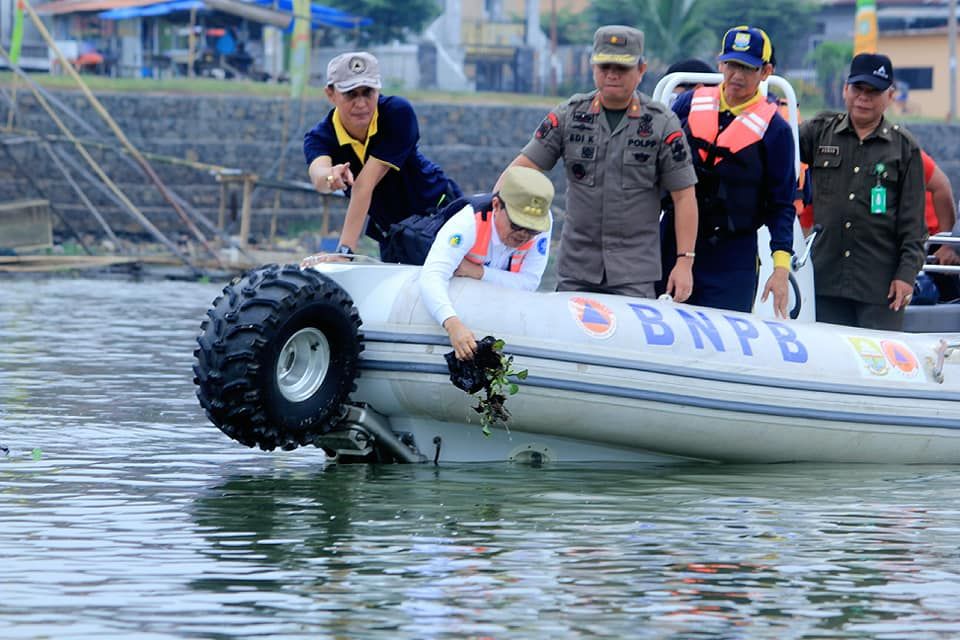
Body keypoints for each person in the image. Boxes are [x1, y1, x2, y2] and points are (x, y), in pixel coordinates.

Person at [499, 25, 698, 301]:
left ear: (641, 70)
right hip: (576, 269)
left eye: (622, 67)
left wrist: (684, 262)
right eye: (605, 66)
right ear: (593, 68)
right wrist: (491, 216)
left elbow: (685, 196)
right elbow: (521, 169)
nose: (612, 74)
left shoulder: (661, 123)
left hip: (634, 274)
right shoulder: (569, 115)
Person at [661, 26, 796, 317]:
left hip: (731, 256)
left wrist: (781, 269)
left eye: (748, 68)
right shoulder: (688, 105)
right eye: (732, 65)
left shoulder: (776, 131)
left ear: (765, 71)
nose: (737, 75)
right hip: (673, 243)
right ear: (720, 63)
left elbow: (782, 205)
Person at [798, 52, 926, 330]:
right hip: (825, 278)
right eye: (858, 88)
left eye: (874, 91)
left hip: (880, 286)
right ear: (845, 90)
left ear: (890, 96)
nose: (864, 97)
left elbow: (914, 224)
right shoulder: (820, 132)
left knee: (879, 364)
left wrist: (906, 276)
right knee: (827, 363)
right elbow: (776, 149)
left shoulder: (904, 148)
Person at [303, 51, 462, 261]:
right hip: (392, 231)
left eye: (368, 92)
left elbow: (364, 185)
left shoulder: (398, 113)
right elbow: (318, 175)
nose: (361, 103)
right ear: (331, 94)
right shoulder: (320, 136)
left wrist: (344, 252)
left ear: (378, 89)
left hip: (437, 214)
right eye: (350, 94)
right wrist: (330, 177)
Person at [420, 166, 555, 360]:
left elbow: (529, 283)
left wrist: (478, 272)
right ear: (497, 205)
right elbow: (432, 276)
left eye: (532, 229)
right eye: (516, 224)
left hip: (497, 305)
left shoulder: (544, 223)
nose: (524, 235)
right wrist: (452, 324)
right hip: (456, 299)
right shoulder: (467, 223)